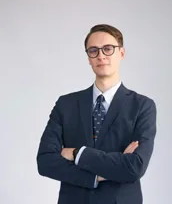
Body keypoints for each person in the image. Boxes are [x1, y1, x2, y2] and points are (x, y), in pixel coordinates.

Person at [36, 24, 157, 204]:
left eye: (108, 49)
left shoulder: (142, 106)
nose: (101, 55)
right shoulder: (66, 104)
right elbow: (45, 161)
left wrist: (78, 153)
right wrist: (99, 175)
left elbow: (134, 167)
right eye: (93, 50)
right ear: (88, 58)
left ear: (121, 53)